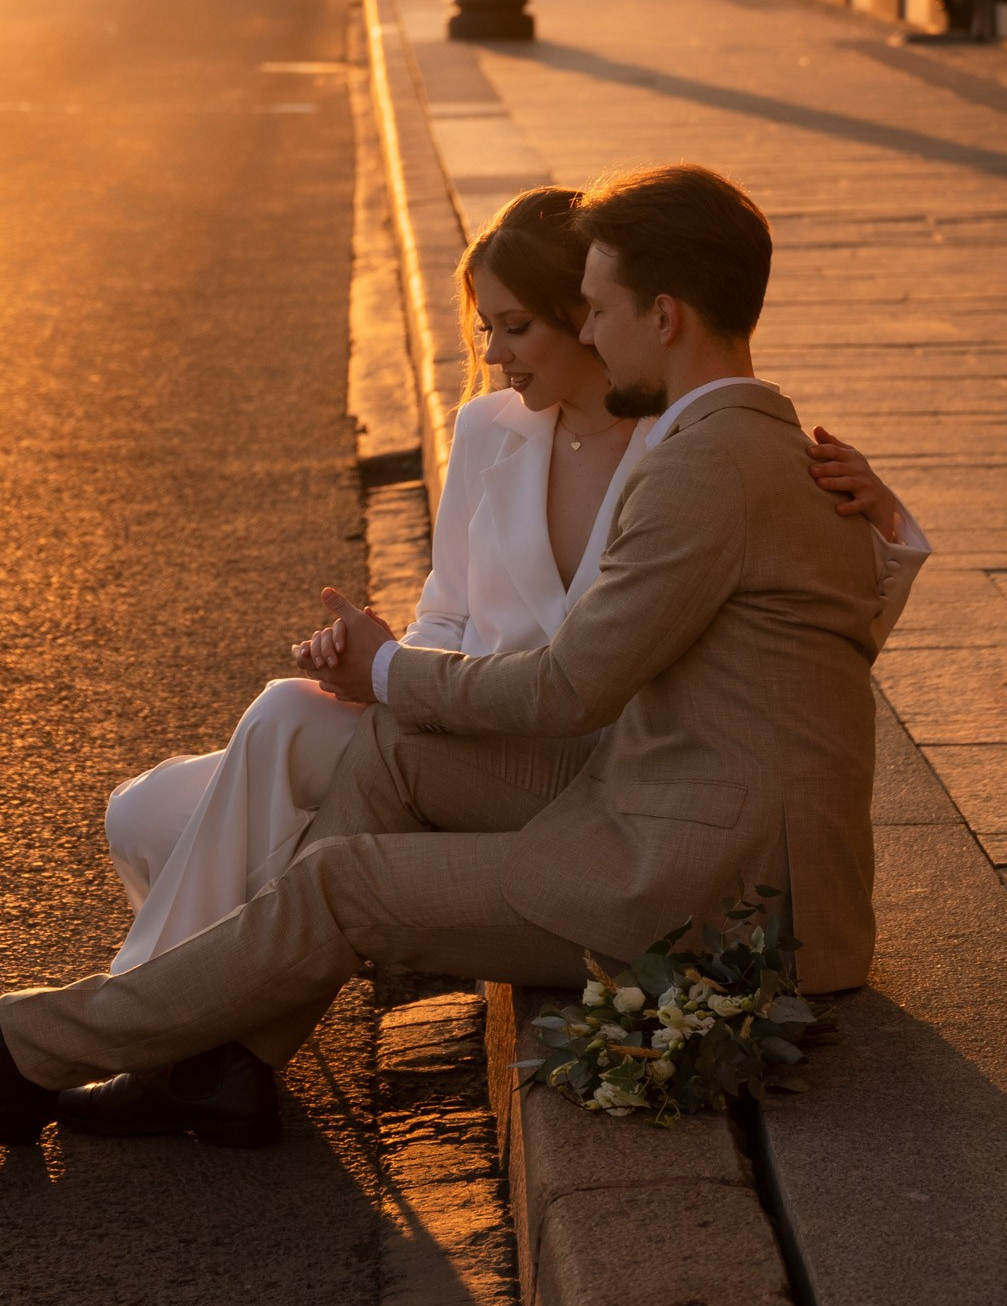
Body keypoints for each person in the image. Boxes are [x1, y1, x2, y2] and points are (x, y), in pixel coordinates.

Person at [0, 166, 904, 1155]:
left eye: (600, 310)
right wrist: (390, 684)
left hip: (712, 891)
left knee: (343, 877)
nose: (592, 331)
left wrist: (384, 664)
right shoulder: (743, 442)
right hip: (680, 818)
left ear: (661, 317)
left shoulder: (700, 466)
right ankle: (227, 1065)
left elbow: (569, 684)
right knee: (382, 755)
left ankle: (18, 1048)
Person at [99, 184, 925, 990]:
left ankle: (166, 1009)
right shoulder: (491, 428)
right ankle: (177, 1010)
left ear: (594, 316)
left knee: (250, 815)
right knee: (158, 805)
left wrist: (883, 530)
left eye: (519, 325)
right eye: (486, 326)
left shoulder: (699, 455)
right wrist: (387, 668)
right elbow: (448, 612)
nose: (492, 353)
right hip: (475, 731)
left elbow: (809, 642)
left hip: (599, 765)